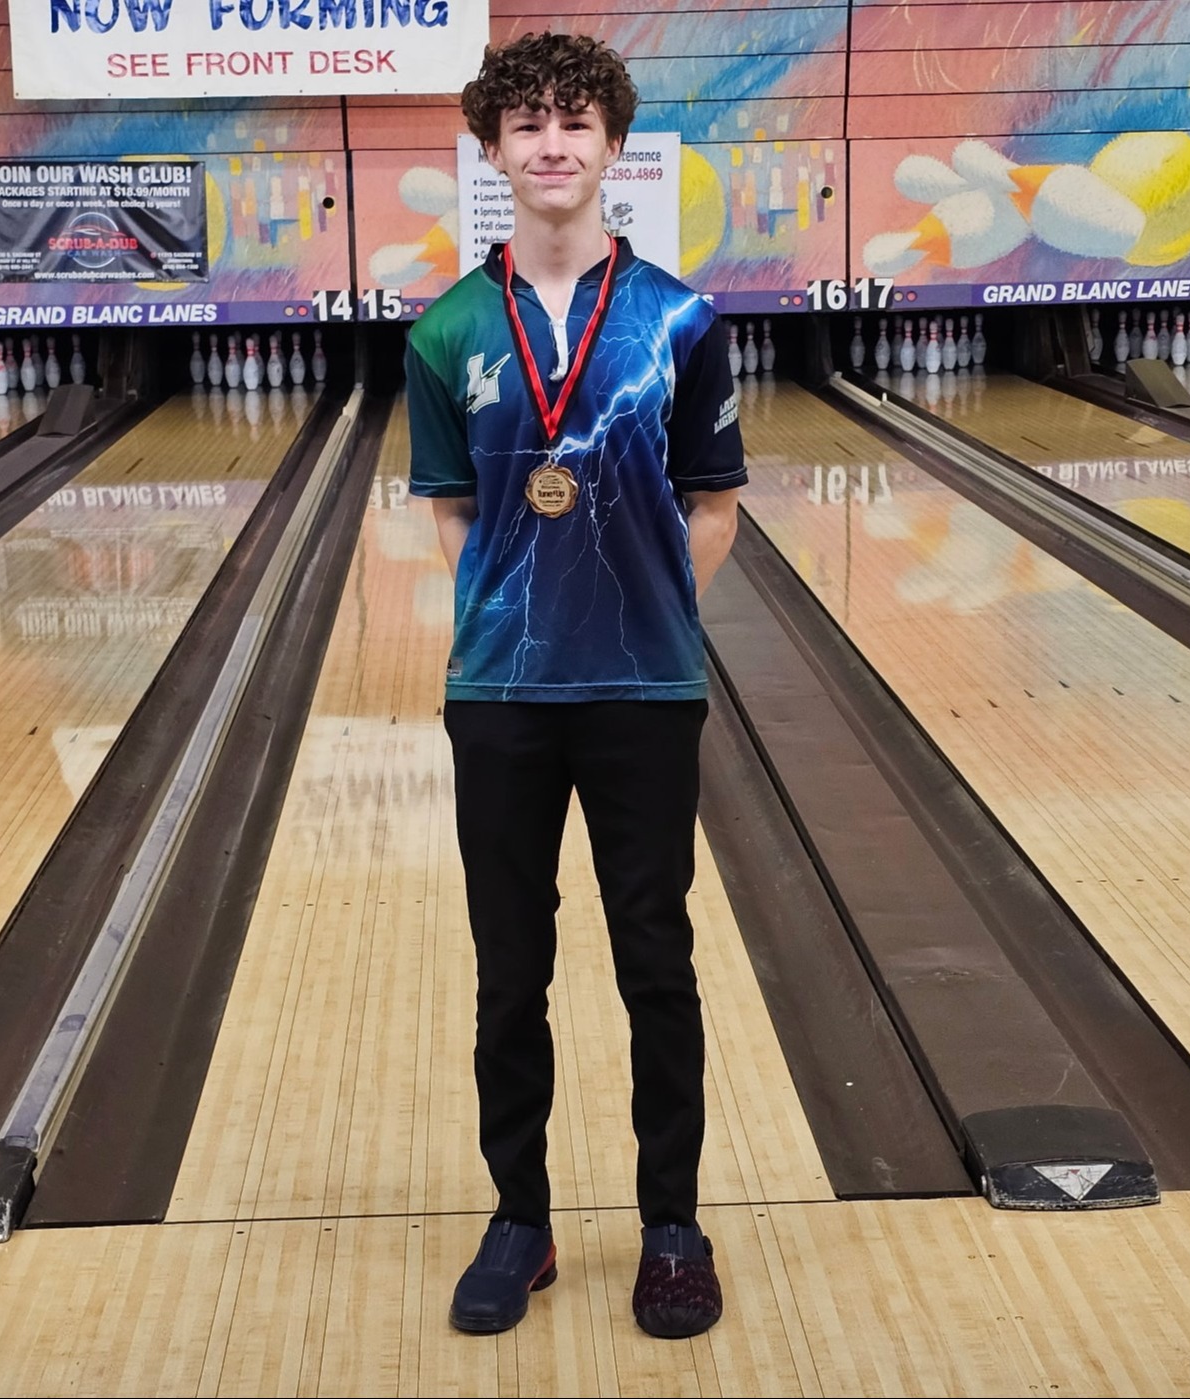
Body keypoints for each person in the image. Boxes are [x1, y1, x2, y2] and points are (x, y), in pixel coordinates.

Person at [405, 30, 746, 1340]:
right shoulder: (447, 329)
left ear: (611, 143)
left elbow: (712, 506)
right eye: (527, 123)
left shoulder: (680, 319)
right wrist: (525, 618)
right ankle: (520, 1221)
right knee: (511, 969)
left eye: (577, 120)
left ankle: (672, 1224)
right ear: (492, 151)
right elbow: (450, 513)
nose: (552, 142)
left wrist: (631, 614)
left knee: (657, 960)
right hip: (499, 694)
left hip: (646, 691)